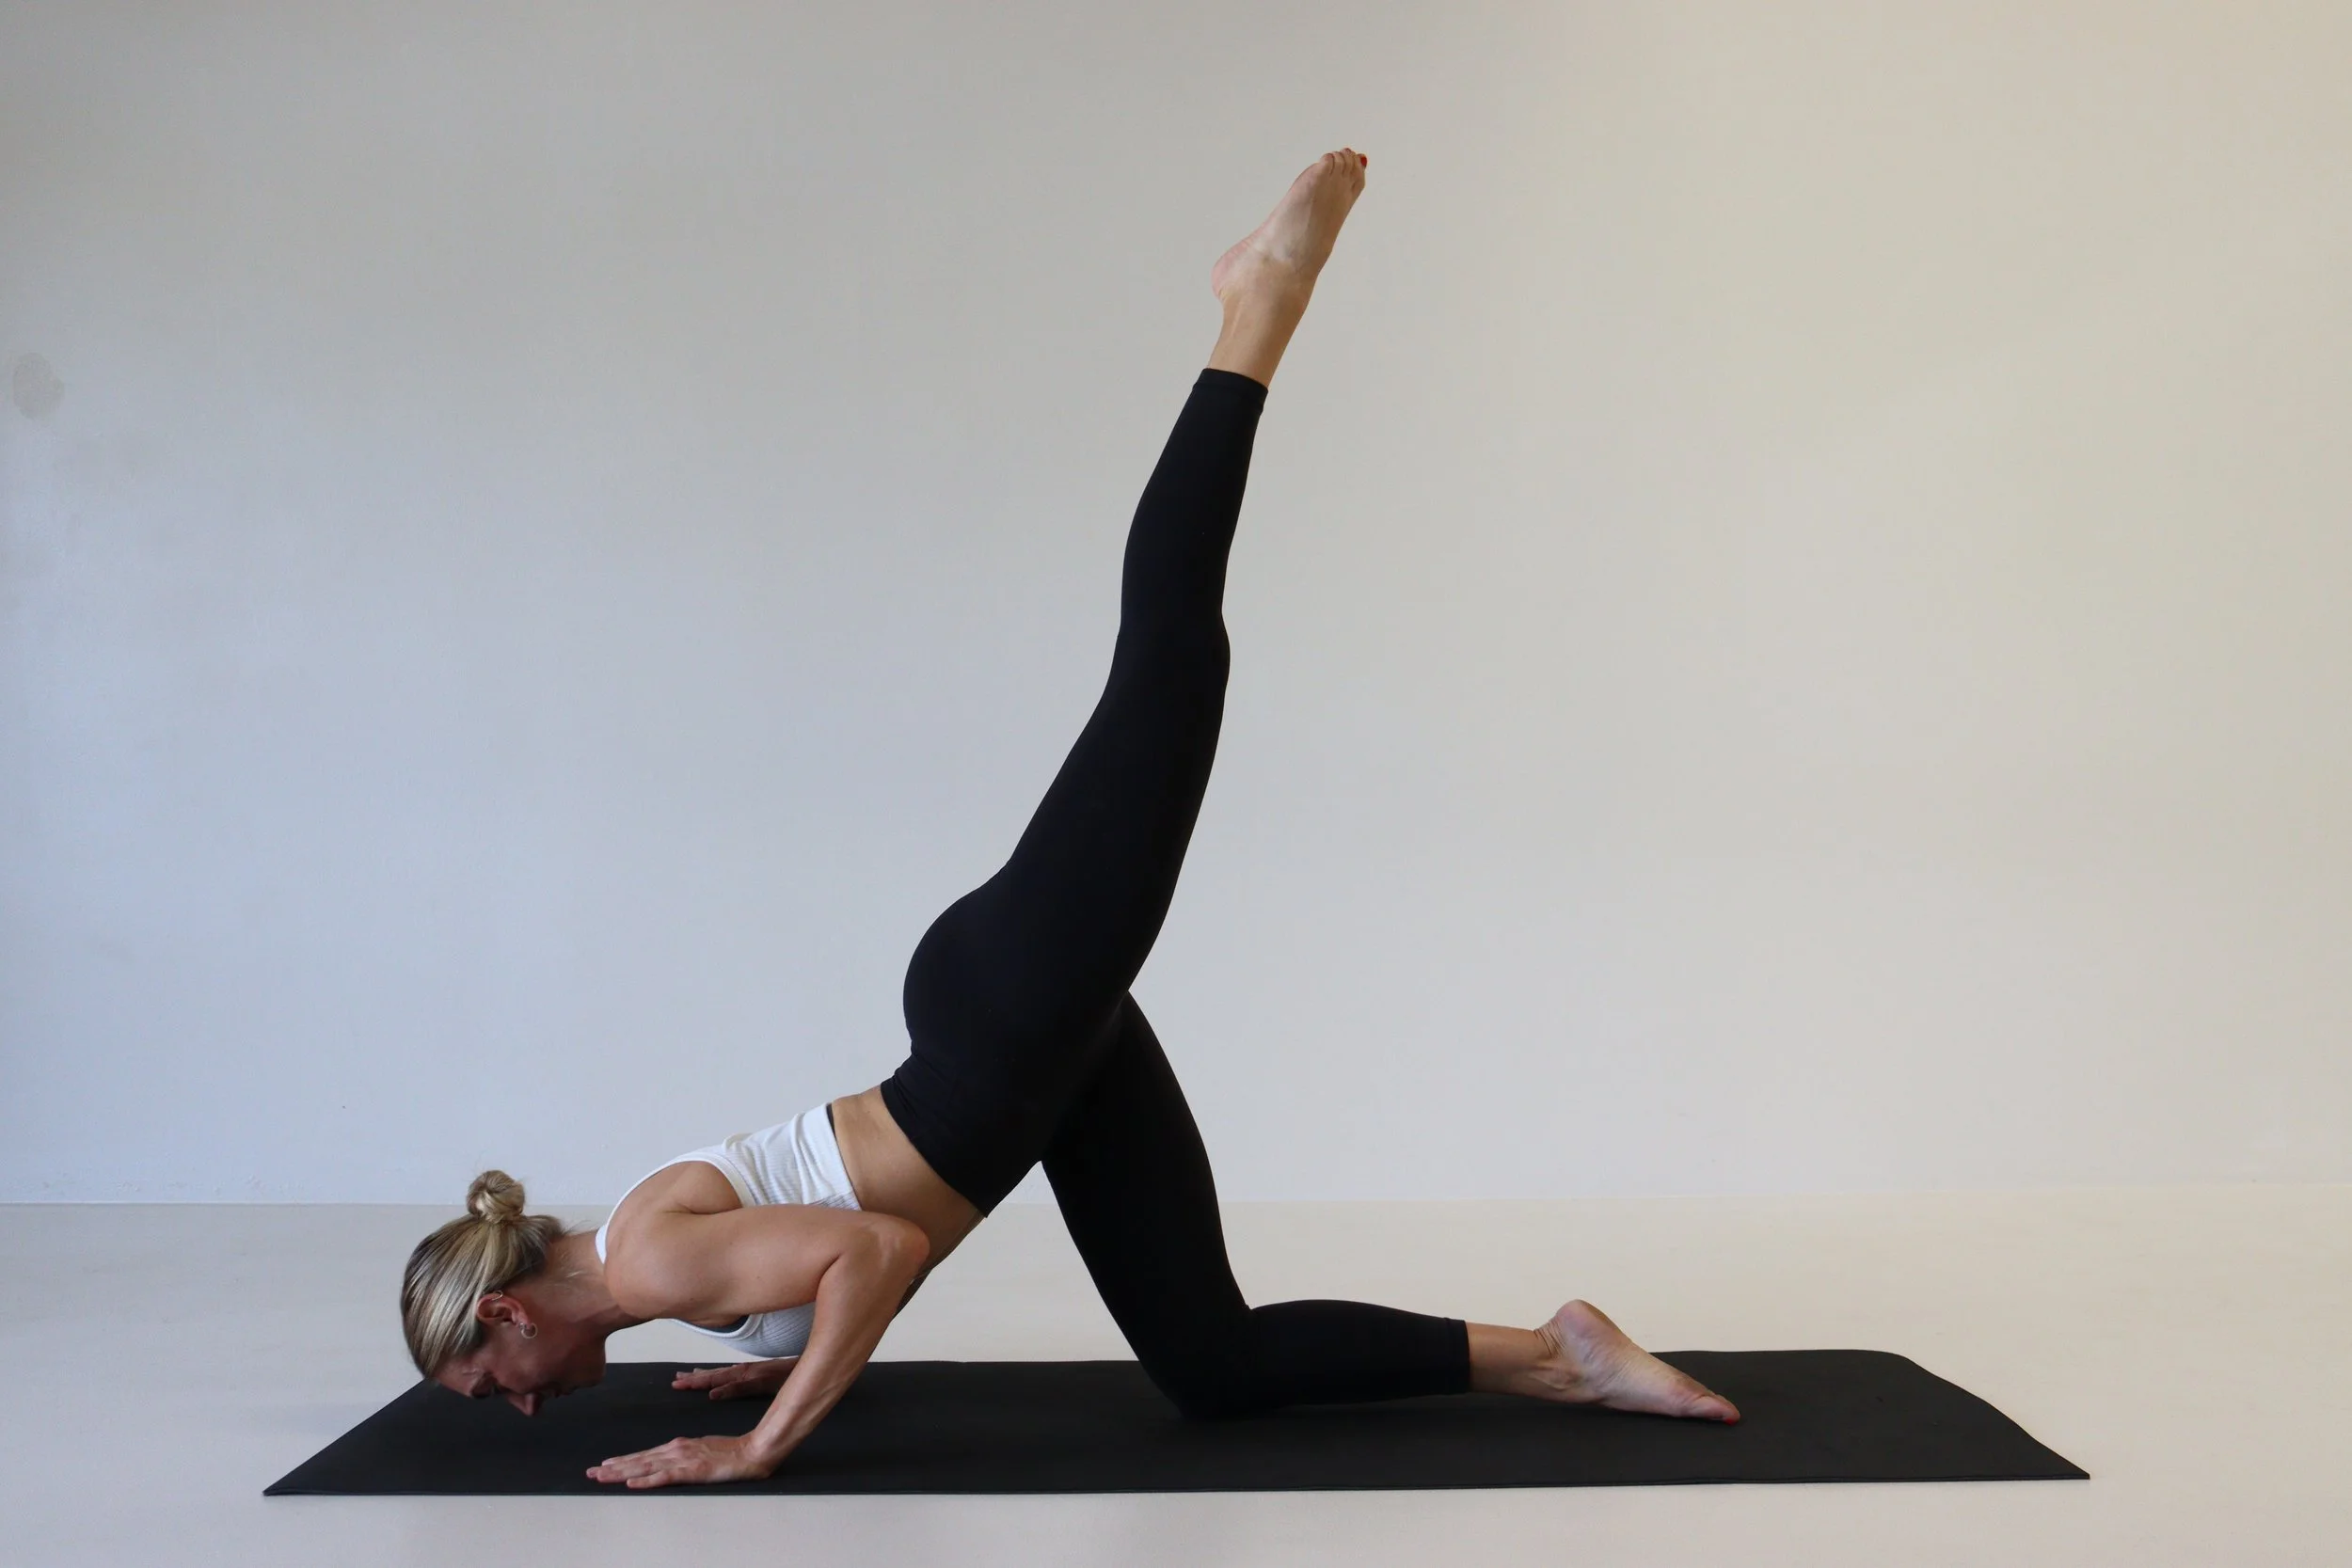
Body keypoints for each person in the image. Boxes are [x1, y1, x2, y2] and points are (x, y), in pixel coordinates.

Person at [400, 148, 1740, 1490]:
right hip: (1028, 1052)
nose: (513, 1406)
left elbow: (880, 1248)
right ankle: (1562, 1352)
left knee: (1169, 660)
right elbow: (855, 1246)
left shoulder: (649, 1261)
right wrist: (794, 1348)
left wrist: (760, 1440)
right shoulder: (645, 1263)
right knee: (1213, 1364)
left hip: (1005, 1026)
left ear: (506, 1315)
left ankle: (1255, 308)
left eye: (485, 1383)